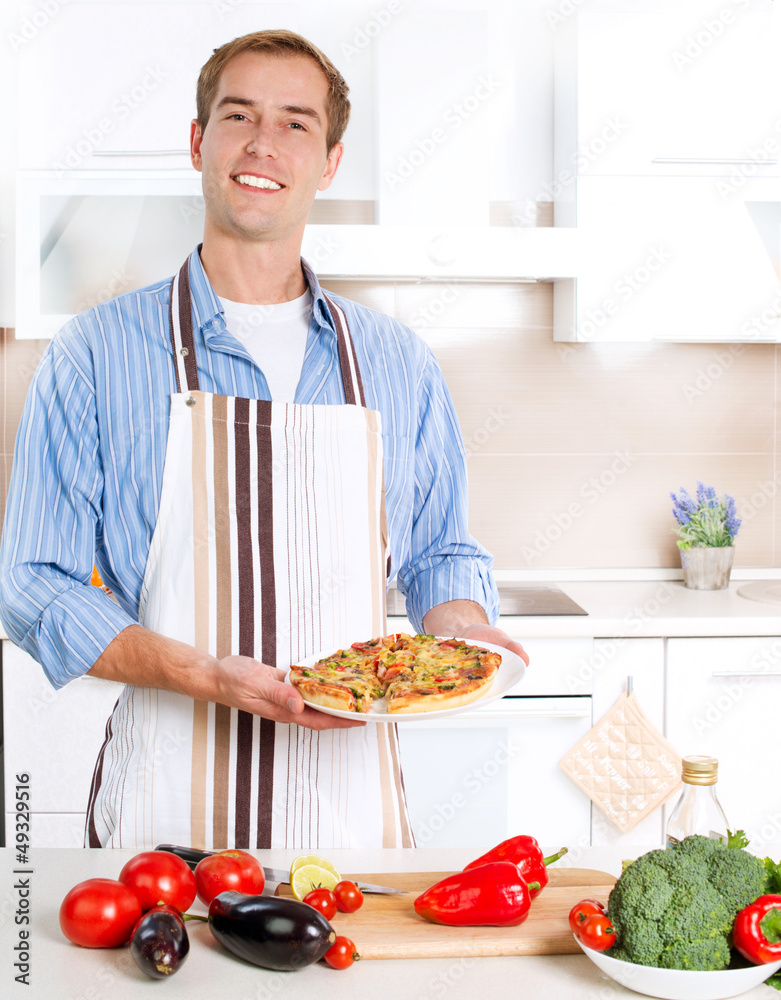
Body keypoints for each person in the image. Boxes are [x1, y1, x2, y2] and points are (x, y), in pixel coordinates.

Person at [0, 29, 527, 850]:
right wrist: (201, 673)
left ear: (329, 161)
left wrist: (460, 634)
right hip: (166, 803)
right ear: (197, 141)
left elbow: (438, 555)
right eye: (238, 114)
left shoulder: (398, 362)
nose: (262, 144)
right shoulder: (93, 354)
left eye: (295, 123)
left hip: (349, 810)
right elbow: (33, 582)